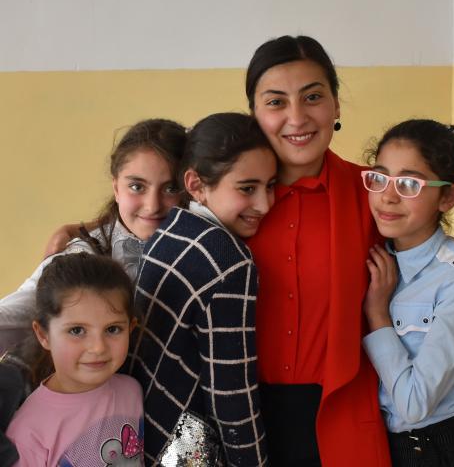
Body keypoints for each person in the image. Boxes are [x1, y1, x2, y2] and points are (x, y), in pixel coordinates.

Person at [245, 35, 391, 466]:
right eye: (275, 102)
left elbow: (450, 252)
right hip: (244, 421)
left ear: (336, 105)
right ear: (254, 113)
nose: (296, 117)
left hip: (342, 420)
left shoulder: (374, 192)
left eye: (312, 97)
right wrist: (84, 237)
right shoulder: (227, 201)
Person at [126, 112, 275, 466]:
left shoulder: (170, 230)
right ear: (195, 184)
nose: (265, 204)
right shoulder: (229, 262)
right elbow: (231, 397)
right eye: (247, 188)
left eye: (271, 185)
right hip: (185, 449)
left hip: (138, 431)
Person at [361, 119, 454, 466]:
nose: (387, 195)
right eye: (379, 177)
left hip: (438, 447)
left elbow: (415, 404)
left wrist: (378, 316)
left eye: (408, 183)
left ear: (447, 196)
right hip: (378, 443)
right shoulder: (372, 257)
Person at [0, 118, 186, 353]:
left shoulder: (210, 244)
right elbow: (20, 312)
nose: (152, 206)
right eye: (137, 187)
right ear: (116, 188)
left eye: (170, 188)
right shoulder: (85, 253)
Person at [6, 253, 143, 466]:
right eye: (77, 330)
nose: (98, 347)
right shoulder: (29, 432)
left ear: (130, 328)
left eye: (113, 329)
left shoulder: (132, 390)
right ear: (43, 335)